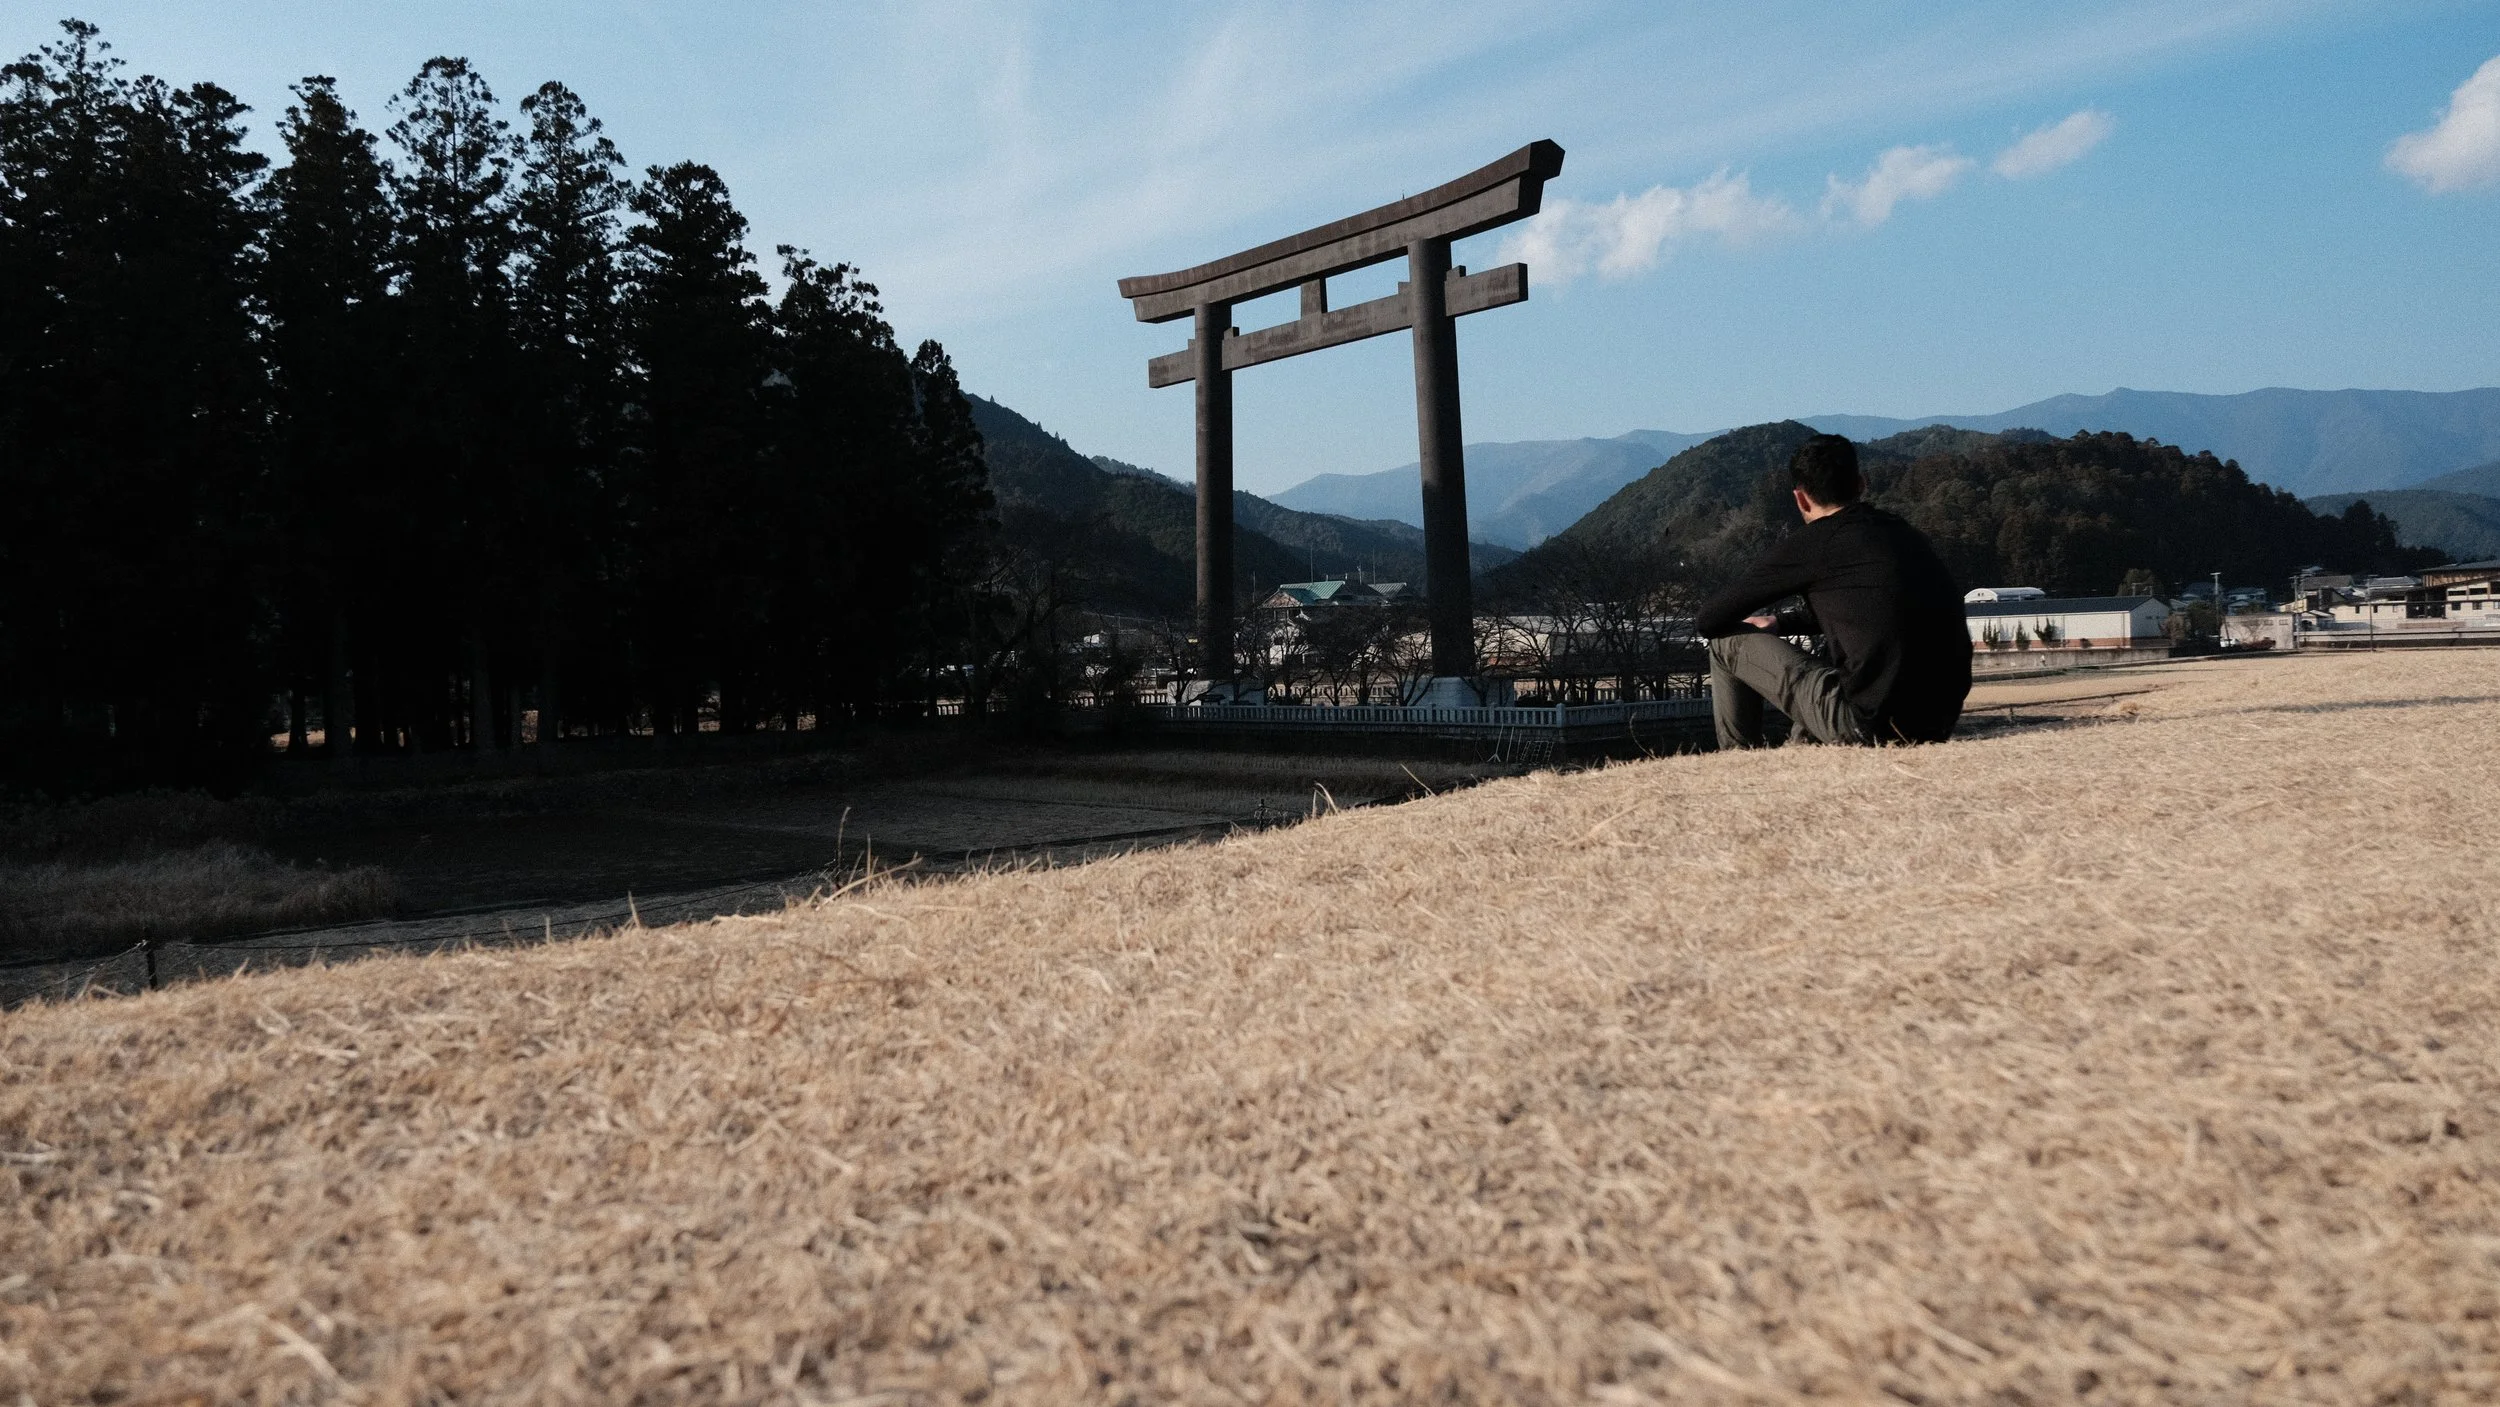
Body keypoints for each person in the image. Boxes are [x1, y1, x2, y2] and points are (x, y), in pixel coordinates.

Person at [1693, 434, 1971, 748]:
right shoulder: (1902, 532)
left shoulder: (1815, 542)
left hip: (1867, 724)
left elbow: (1710, 619)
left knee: (1722, 644)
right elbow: (1870, 606)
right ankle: (1802, 749)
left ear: (1801, 499)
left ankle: (1740, 762)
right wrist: (1782, 623)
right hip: (1939, 722)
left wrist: (1766, 623)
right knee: (1837, 650)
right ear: (1862, 483)